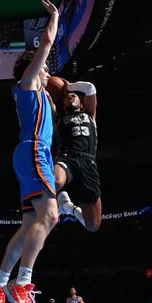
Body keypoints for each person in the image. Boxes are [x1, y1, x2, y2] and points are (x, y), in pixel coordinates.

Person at [0, 0, 60, 303]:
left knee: (31, 224)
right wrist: (54, 18)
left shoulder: (43, 95)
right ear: (33, 68)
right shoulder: (27, 85)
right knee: (52, 216)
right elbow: (45, 44)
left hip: (32, 154)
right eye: (44, 67)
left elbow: (57, 114)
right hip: (32, 152)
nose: (48, 70)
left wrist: (62, 89)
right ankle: (22, 285)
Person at [52, 81, 102, 232]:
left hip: (88, 162)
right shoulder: (58, 118)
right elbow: (47, 99)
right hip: (66, 158)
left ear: (81, 103)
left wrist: (69, 87)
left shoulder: (90, 114)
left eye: (74, 96)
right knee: (54, 181)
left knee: (92, 226)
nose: (70, 97)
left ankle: (67, 207)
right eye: (67, 97)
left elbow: (90, 88)